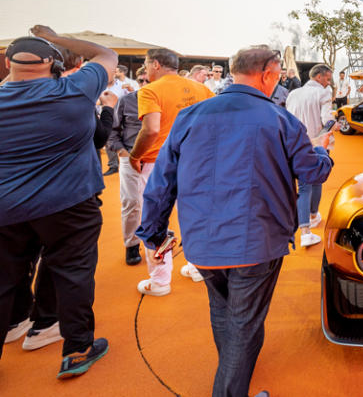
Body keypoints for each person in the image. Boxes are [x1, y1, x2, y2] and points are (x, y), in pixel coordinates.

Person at [136, 45, 334, 397]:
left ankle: (234, 377)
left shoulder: (191, 116)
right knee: (243, 322)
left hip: (203, 238)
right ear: (269, 74)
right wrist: (322, 151)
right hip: (258, 239)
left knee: (226, 313)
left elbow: (161, 181)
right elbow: (311, 172)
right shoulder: (280, 119)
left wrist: (153, 232)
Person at [0, 25, 117, 378]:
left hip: (7, 207)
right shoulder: (75, 89)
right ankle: (77, 350)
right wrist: (57, 36)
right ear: (53, 64)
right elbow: (107, 55)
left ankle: (17, 327)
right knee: (74, 274)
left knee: (3, 280)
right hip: (69, 204)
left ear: (8, 64)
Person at [128, 48, 214, 295]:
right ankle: (198, 267)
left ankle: (160, 280)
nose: (145, 69)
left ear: (155, 64)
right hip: (196, 162)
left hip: (158, 162)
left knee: (156, 219)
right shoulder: (202, 89)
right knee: (195, 215)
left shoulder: (150, 90)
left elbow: (152, 129)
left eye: (146, 63)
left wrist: (135, 155)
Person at [286, 64, 334, 247]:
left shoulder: (293, 94)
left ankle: (310, 220)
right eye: (328, 79)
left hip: (295, 144)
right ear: (320, 77)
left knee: (304, 186)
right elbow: (326, 120)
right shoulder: (323, 93)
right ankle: (307, 228)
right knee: (315, 181)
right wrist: (331, 125)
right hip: (315, 143)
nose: (328, 83)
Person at [108, 67, 146, 265]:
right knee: (131, 202)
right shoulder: (127, 101)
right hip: (130, 157)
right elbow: (113, 131)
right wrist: (123, 153)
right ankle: (131, 244)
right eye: (141, 79)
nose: (145, 83)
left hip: (158, 160)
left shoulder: (165, 101)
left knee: (157, 203)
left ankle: (155, 242)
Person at [102, 65, 138, 175]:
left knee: (120, 138)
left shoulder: (124, 86)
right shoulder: (100, 86)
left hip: (121, 117)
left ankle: (123, 159)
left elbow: (133, 99)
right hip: (104, 115)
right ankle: (113, 164)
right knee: (108, 139)